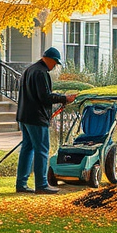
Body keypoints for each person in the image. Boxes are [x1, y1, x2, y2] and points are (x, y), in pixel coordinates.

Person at [15, 47, 76, 194]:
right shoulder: (41, 73)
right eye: (55, 62)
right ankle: (42, 185)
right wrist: (65, 99)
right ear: (48, 59)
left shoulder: (29, 70)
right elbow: (45, 97)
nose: (54, 66)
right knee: (42, 150)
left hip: (24, 116)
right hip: (36, 117)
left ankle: (21, 184)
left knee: (27, 149)